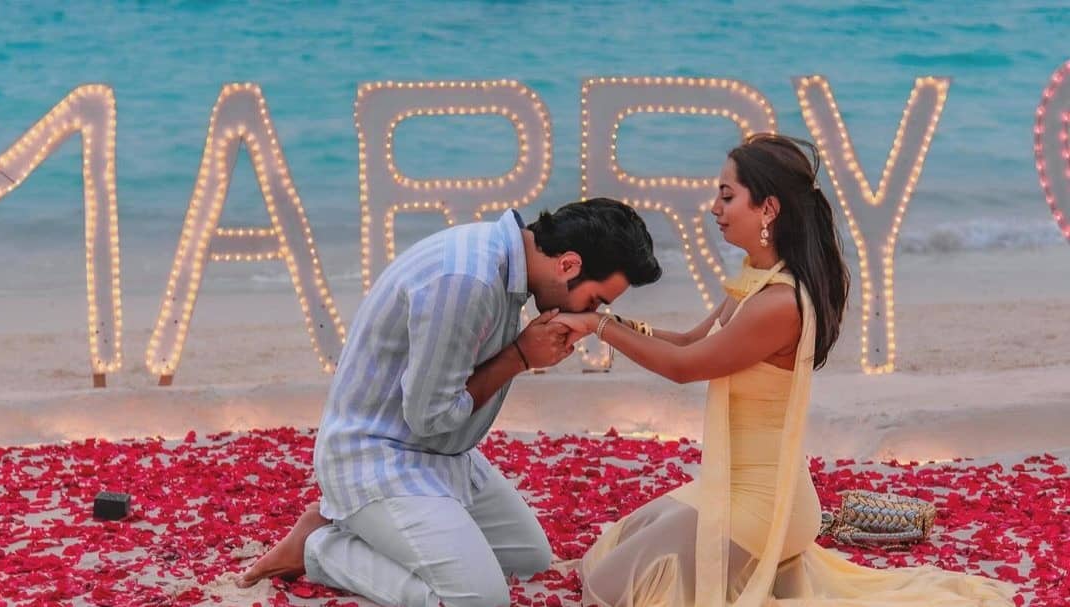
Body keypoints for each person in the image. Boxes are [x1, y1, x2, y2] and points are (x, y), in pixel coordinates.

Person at [551, 135, 1015, 606]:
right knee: (603, 555)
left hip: (764, 505)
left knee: (607, 592)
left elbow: (685, 367)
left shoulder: (779, 303)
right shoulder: (755, 280)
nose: (714, 208)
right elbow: (689, 342)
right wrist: (604, 322)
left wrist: (598, 326)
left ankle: (758, 561)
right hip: (728, 489)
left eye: (727, 196)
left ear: (768, 209)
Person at [236, 198, 662, 607]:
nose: (590, 313)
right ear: (568, 264)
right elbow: (429, 416)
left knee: (527, 558)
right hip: (379, 457)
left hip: (442, 456)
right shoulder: (468, 281)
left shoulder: (505, 263)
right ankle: (320, 548)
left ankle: (355, 526)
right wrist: (520, 357)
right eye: (594, 301)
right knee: (478, 600)